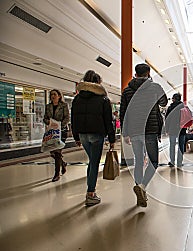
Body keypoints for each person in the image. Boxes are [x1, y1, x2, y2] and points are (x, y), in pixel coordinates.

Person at [120, 63, 167, 207]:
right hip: (150, 130)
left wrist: (125, 133)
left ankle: (139, 186)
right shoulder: (155, 87)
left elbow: (123, 113)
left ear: (136, 73)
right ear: (148, 73)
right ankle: (142, 187)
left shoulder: (127, 91)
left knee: (139, 161)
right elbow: (164, 102)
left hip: (134, 131)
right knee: (153, 162)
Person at [71, 70, 115, 206]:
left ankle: (90, 190)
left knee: (92, 161)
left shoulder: (77, 99)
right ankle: (91, 194)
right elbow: (108, 121)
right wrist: (112, 139)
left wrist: (76, 136)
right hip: (97, 134)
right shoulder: (103, 99)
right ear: (98, 83)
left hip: (83, 135)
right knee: (94, 163)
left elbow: (73, 119)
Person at [43, 89, 69, 182]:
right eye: (51, 95)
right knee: (52, 152)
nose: (52, 96)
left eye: (54, 94)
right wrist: (49, 122)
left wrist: (59, 125)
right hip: (52, 131)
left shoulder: (64, 106)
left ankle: (56, 174)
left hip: (62, 131)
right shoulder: (48, 106)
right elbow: (45, 118)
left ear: (59, 96)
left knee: (57, 152)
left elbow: (67, 117)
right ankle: (63, 163)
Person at [165, 93, 186, 167]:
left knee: (172, 145)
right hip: (182, 129)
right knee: (181, 146)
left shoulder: (170, 108)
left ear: (173, 99)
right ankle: (179, 162)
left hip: (172, 129)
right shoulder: (184, 107)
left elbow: (167, 120)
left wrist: (167, 129)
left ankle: (172, 161)